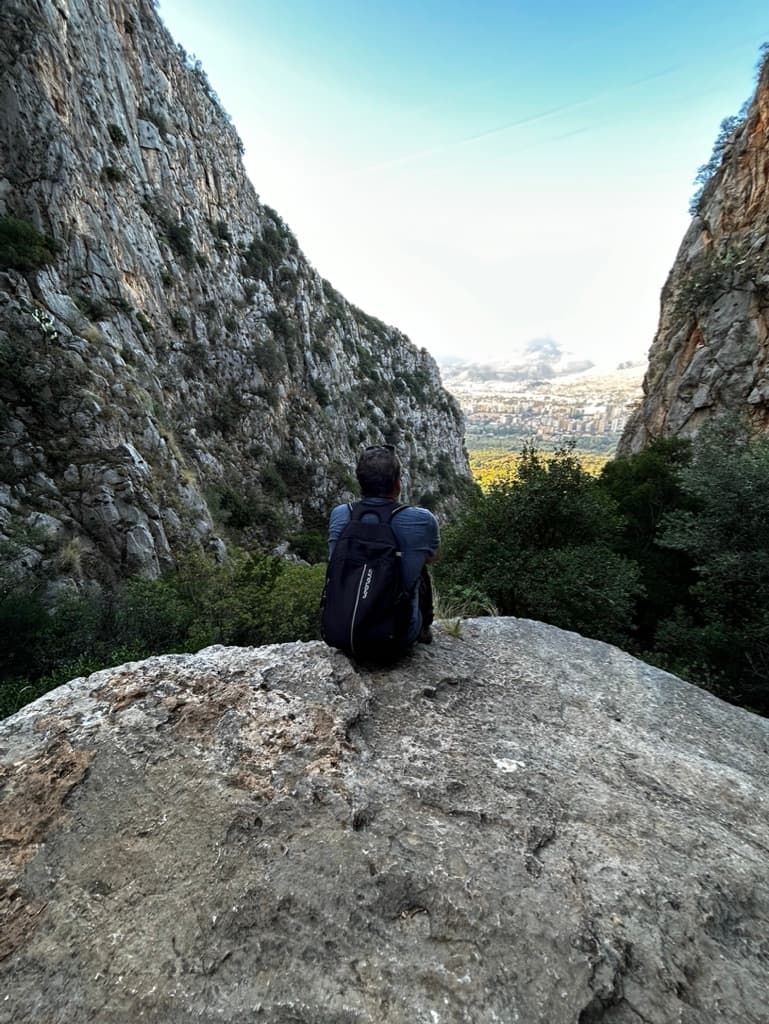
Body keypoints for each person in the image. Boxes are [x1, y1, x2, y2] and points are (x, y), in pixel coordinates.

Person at [327, 444, 439, 649]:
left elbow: (332, 563)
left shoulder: (340, 514)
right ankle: (423, 630)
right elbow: (433, 558)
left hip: (341, 633)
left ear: (360, 483)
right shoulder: (422, 519)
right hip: (397, 638)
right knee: (420, 564)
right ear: (397, 484)